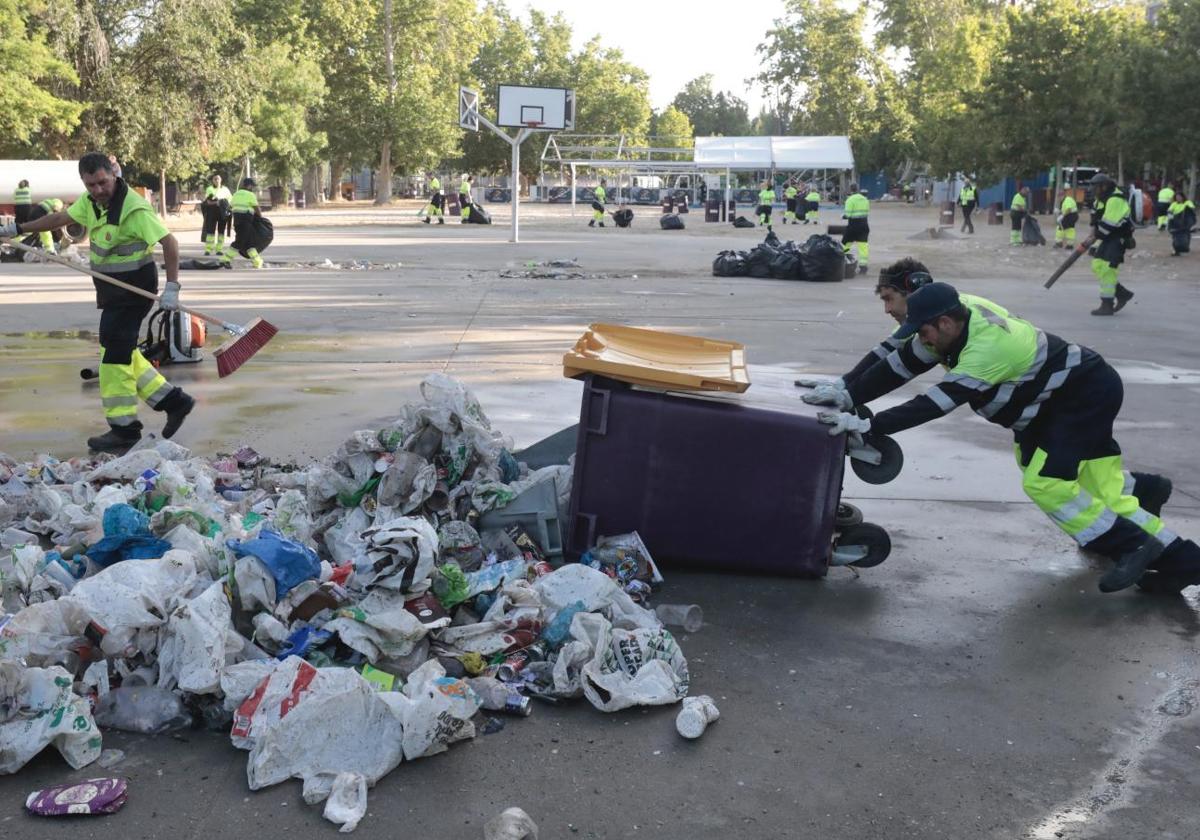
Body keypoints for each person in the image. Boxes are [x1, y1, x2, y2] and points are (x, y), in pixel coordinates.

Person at [811, 277, 1197, 595]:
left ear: (945, 323)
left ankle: (1131, 545)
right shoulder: (952, 319)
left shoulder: (987, 348)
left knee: (1047, 483)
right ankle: (1182, 559)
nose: (922, 341)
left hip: (1081, 396)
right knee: (1103, 491)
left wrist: (871, 426)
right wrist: (848, 393)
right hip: (1055, 403)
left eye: (925, 332)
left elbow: (937, 402)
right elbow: (900, 365)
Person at [0, 152, 194, 454]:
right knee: (119, 350)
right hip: (111, 291)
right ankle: (174, 401)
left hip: (134, 290)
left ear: (113, 175)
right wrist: (19, 229)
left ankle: (125, 429)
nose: (98, 190)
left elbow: (170, 243)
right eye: (90, 185)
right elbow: (60, 218)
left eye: (102, 183)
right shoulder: (90, 203)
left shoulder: (134, 209)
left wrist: (172, 288)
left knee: (112, 359)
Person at [795, 258, 936, 406]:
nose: (886, 310)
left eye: (889, 299)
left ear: (915, 293)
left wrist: (849, 399)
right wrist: (843, 383)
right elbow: (884, 356)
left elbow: (898, 373)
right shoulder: (916, 325)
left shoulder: (946, 328)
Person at [1088, 174, 1134, 316]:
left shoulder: (1115, 199)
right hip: (1106, 238)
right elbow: (1095, 222)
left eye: (1096, 187)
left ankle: (1107, 305)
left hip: (1117, 239)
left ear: (1104, 186)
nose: (1093, 190)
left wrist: (1093, 239)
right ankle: (1122, 293)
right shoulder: (1100, 200)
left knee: (1108, 269)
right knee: (1097, 265)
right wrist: (1092, 238)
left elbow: (1109, 224)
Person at [220, 177, 265, 269]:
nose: (252, 188)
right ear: (249, 186)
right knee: (239, 242)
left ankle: (257, 261)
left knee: (249, 242)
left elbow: (230, 207)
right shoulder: (250, 195)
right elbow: (256, 208)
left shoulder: (236, 194)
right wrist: (261, 218)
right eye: (252, 186)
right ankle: (225, 259)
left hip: (237, 221)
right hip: (246, 221)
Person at [201, 174, 233, 255]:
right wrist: (217, 202)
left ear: (221, 180)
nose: (217, 180)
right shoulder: (210, 189)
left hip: (222, 212)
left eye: (218, 179)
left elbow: (230, 200)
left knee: (221, 231)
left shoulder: (225, 189)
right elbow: (208, 201)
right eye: (215, 179)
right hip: (212, 211)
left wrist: (228, 206)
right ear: (213, 181)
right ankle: (208, 250)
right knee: (210, 231)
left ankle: (219, 249)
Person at [841, 183, 869, 274]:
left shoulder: (850, 200)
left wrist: (843, 216)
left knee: (846, 244)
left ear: (850, 190)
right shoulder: (865, 199)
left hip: (853, 225)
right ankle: (863, 266)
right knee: (863, 246)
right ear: (858, 189)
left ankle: (843, 262)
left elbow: (848, 214)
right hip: (864, 225)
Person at [1167, 191, 1196, 256]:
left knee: (1185, 235)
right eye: (1177, 197)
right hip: (1176, 222)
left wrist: (1189, 222)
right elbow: (1170, 213)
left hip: (1184, 223)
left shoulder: (1187, 203)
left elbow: (1191, 211)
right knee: (1175, 237)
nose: (1178, 198)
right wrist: (1170, 223)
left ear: (1183, 197)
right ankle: (1176, 250)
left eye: (1179, 197)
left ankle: (1185, 247)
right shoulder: (1173, 204)